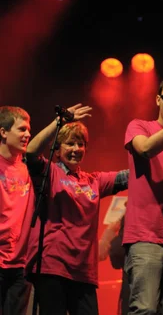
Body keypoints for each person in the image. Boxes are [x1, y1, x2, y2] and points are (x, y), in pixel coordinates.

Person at [25, 104, 129, 315]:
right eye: (70, 144)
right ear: (58, 149)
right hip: (52, 267)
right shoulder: (50, 172)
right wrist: (59, 122)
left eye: (80, 144)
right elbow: (31, 151)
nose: (76, 149)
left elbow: (127, 176)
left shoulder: (94, 181)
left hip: (83, 272)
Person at [123, 73, 163, 315]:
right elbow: (146, 149)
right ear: (157, 100)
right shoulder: (140, 126)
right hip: (146, 235)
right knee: (146, 309)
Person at [0, 106, 33, 315]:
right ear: (3, 132)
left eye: (29, 129)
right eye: (21, 129)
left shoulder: (31, 167)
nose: (28, 134)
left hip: (21, 263)